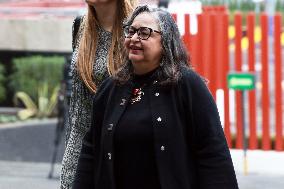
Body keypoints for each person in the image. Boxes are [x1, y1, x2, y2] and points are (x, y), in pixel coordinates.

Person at [73, 5, 239, 189]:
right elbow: (91, 150)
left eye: (145, 32)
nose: (135, 38)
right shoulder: (110, 88)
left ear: (166, 41)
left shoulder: (188, 85)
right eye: (131, 31)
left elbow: (212, 151)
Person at [60, 0, 135, 188]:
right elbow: (77, 103)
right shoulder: (80, 25)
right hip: (80, 147)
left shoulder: (138, 29)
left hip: (125, 150)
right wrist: (70, 155)